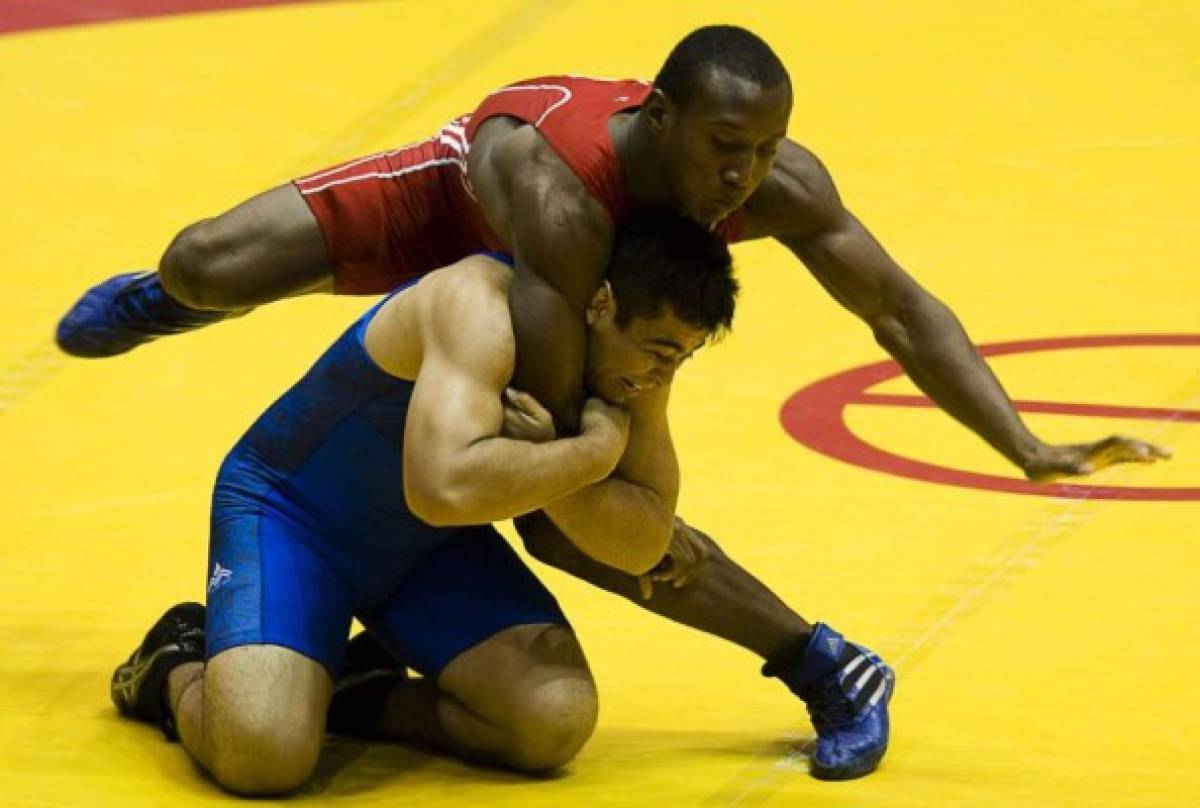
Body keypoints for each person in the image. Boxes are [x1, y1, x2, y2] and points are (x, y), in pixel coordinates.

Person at [71, 24, 1162, 780]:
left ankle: (816, 663)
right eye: (726, 149)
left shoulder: (771, 179)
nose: (747, 178)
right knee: (209, 262)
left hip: (558, 284)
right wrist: (587, 439)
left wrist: (1021, 440)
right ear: (659, 112)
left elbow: (898, 307)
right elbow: (546, 476)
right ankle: (168, 305)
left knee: (592, 504)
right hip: (458, 212)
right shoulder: (559, 199)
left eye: (767, 150)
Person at [110, 214, 889, 794]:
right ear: (602, 304)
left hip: (422, 553)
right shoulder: (476, 305)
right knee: (265, 759)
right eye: (657, 355)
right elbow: (441, 487)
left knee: (550, 723)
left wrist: (565, 457)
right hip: (292, 517)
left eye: (679, 360)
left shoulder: (640, 358)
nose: (659, 378)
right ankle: (178, 661)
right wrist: (588, 453)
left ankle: (358, 693)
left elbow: (641, 541)